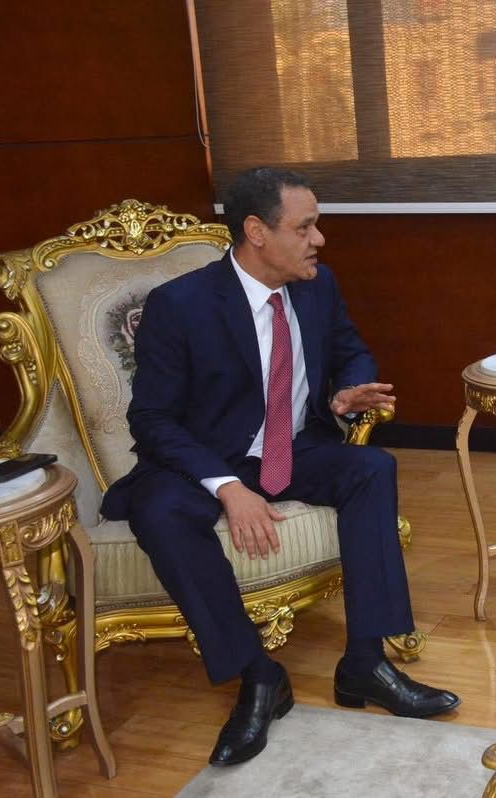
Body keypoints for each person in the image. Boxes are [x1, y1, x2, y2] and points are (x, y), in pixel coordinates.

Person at [101, 167, 459, 766]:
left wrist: (345, 392)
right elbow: (153, 419)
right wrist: (226, 487)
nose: (320, 239)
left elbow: (349, 350)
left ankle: (365, 662)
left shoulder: (318, 285)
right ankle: (258, 674)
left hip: (291, 448)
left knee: (372, 468)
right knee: (159, 512)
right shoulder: (181, 305)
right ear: (256, 232)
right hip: (205, 457)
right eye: (305, 227)